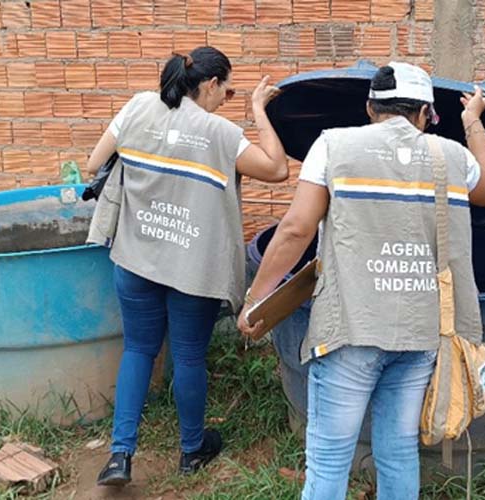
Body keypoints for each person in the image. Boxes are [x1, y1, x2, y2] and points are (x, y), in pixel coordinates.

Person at [238, 62, 485, 500]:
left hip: (352, 329)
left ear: (369, 108)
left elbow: (295, 230)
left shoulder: (333, 145)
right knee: (398, 452)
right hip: (420, 333)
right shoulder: (452, 156)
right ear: (424, 114)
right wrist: (472, 122)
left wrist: (258, 299)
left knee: (329, 459)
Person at [88, 46, 289, 486]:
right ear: (212, 84)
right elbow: (276, 170)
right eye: (227, 90)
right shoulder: (220, 132)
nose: (226, 99)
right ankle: (191, 450)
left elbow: (92, 163)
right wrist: (257, 109)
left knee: (139, 350)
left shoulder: (139, 106)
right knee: (188, 356)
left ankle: (120, 456)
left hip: (135, 259)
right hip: (192, 269)